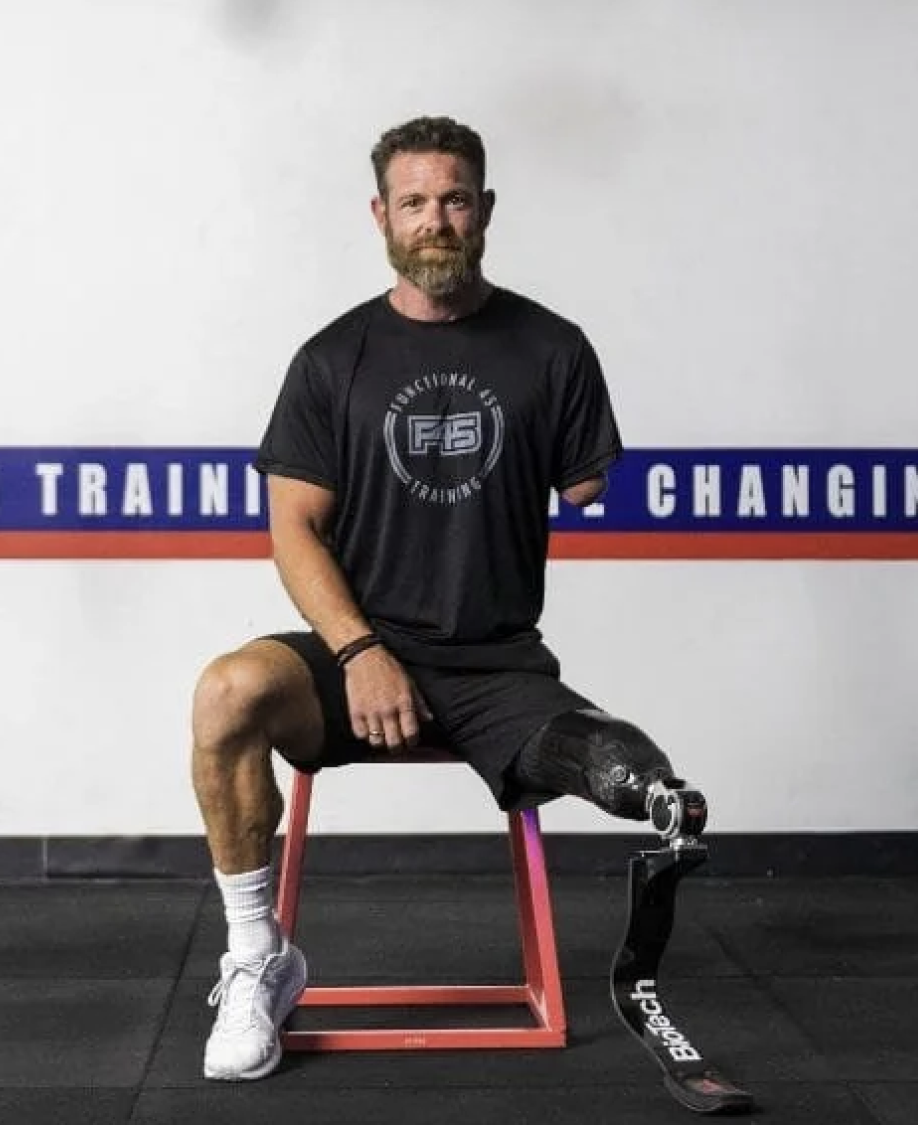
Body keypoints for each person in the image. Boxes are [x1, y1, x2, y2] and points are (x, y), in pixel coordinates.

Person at [192, 115, 699, 1082]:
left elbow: (587, 482)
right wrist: (356, 650)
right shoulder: (332, 360)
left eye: (456, 199)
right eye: (415, 202)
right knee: (226, 692)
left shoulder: (553, 349)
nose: (437, 220)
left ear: (487, 211)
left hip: (498, 664)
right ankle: (258, 956)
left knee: (620, 764)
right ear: (381, 215)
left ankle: (668, 800)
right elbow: (291, 527)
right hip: (356, 657)